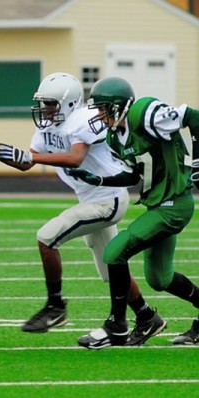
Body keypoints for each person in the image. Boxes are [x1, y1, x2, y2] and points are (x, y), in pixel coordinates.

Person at [0, 72, 163, 345]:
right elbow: (26, 163)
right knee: (110, 269)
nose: (45, 110)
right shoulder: (47, 128)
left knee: (47, 237)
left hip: (108, 199)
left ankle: (55, 307)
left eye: (51, 104)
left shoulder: (82, 120)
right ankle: (147, 316)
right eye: (43, 104)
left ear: (69, 103)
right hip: (93, 200)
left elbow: (75, 158)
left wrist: (32, 155)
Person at [70, 76, 199, 349]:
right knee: (159, 279)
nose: (99, 115)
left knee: (115, 251)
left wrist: (197, 160)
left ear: (118, 107)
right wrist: (100, 180)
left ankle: (117, 325)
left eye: (103, 109)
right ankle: (152, 321)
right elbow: (133, 175)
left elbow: (193, 116)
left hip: (175, 204)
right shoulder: (114, 136)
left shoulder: (144, 113)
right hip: (159, 205)